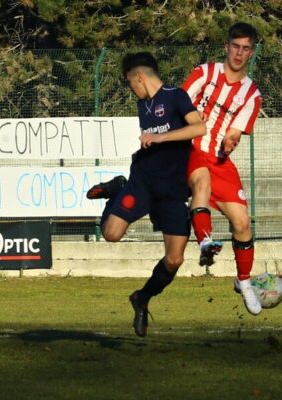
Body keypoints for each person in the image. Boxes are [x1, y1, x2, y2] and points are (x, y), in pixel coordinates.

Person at [87, 52, 206, 337]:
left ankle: (142, 298)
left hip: (172, 190)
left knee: (174, 261)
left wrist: (162, 137)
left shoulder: (175, 96)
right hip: (143, 182)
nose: (132, 90)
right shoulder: (144, 104)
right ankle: (117, 190)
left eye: (131, 83)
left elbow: (199, 126)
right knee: (111, 233)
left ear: (139, 76)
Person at [181, 22, 263, 315]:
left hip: (220, 160)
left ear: (251, 52)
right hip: (191, 150)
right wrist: (191, 115)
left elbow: (236, 131)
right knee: (200, 183)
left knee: (242, 222)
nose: (239, 53)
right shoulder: (205, 73)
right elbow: (177, 102)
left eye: (246, 49)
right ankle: (205, 242)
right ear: (226, 46)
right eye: (235, 46)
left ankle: (244, 281)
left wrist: (231, 138)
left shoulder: (251, 94)